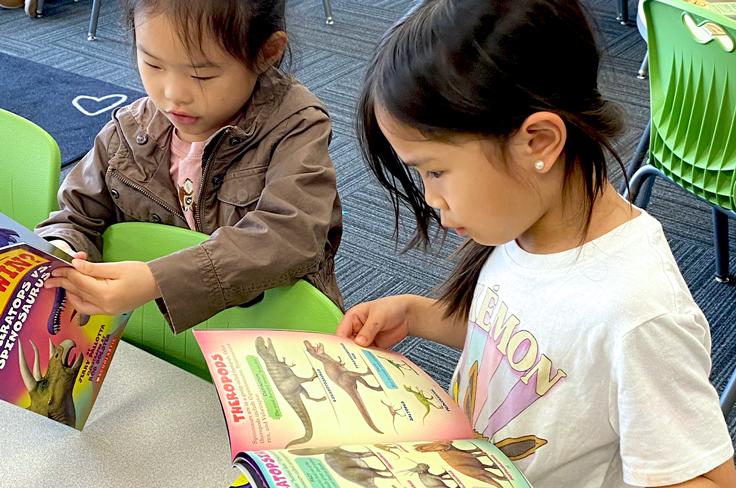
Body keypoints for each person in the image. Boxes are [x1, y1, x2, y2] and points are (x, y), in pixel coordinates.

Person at [336, 1, 736, 487]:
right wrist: (416, 314)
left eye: (435, 170)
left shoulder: (638, 313)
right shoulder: (521, 228)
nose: (430, 196)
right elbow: (527, 343)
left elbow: (708, 479)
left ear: (539, 142)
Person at [38, 0, 343, 333]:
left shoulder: (296, 127)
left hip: (269, 333)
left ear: (267, 53)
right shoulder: (130, 131)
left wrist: (158, 280)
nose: (173, 94)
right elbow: (75, 215)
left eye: (202, 75)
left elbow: (292, 235)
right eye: (153, 64)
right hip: (164, 337)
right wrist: (63, 254)